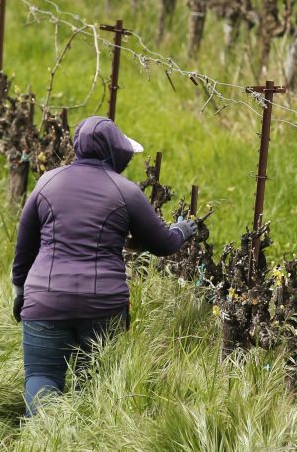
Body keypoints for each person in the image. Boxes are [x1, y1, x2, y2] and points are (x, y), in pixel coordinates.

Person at [11, 115, 197, 416]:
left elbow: (24, 245)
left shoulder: (47, 182)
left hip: (44, 299)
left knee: (41, 376)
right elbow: (163, 244)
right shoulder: (126, 192)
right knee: (94, 383)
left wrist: (20, 291)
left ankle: (44, 440)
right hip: (102, 305)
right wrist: (183, 229)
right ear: (116, 152)